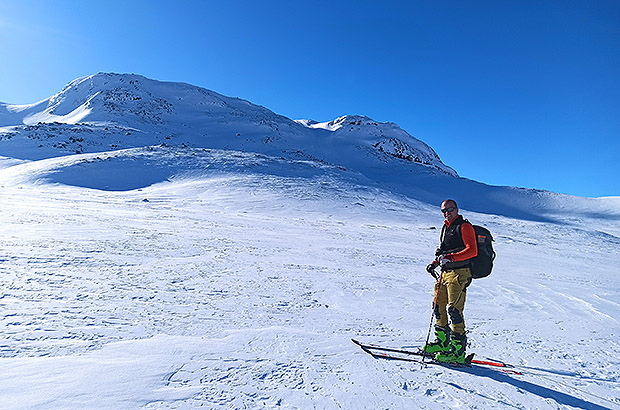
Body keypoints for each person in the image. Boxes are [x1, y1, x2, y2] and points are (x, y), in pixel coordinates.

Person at [423, 199, 478, 363]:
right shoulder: (446, 227)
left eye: (450, 209)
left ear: (457, 209)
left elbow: (472, 251)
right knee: (438, 307)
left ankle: (458, 352)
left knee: (454, 310)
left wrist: (452, 258)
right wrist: (435, 263)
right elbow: (445, 251)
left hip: (459, 273)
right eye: (444, 211)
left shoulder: (464, 226)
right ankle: (442, 343)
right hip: (445, 272)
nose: (447, 213)